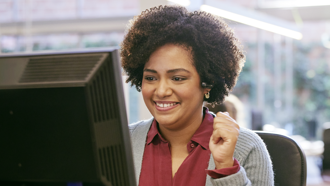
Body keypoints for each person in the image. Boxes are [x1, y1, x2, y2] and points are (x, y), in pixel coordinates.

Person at [121, 5, 274, 186]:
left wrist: (225, 167)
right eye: (151, 78)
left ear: (207, 83)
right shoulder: (123, 143)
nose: (161, 91)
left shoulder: (246, 147)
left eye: (177, 78)